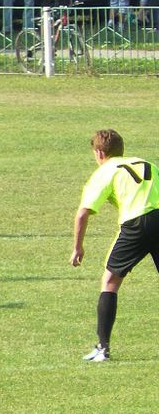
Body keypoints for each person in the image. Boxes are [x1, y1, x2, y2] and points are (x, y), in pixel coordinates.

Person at [70, 129, 159, 362]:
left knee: (110, 282)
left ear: (99, 153)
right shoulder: (147, 164)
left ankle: (103, 348)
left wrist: (78, 247)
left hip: (136, 223)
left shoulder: (105, 171)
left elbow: (83, 213)